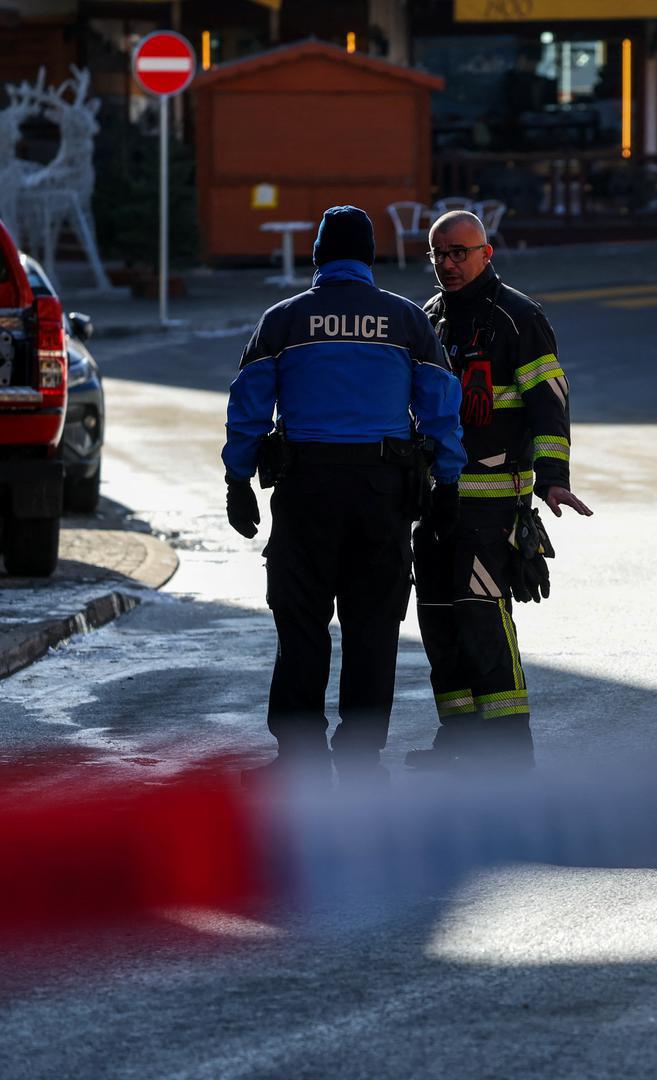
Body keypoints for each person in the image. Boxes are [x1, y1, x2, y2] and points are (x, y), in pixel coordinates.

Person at [222, 205, 466, 786]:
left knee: (301, 621)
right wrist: (448, 483)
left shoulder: (283, 321)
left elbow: (248, 406)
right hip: (382, 493)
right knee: (373, 625)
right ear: (370, 259)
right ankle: (360, 759)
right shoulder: (406, 321)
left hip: (306, 491)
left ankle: (301, 759)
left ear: (318, 258)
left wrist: (237, 480)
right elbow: (440, 406)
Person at [404, 210, 592, 772]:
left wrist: (553, 478)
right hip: (435, 504)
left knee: (482, 616)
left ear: (487, 254)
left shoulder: (519, 318)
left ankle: (509, 753)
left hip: (491, 503)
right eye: (438, 254)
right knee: (438, 620)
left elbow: (550, 400)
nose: (448, 264)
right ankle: (459, 740)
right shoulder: (430, 320)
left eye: (459, 252)